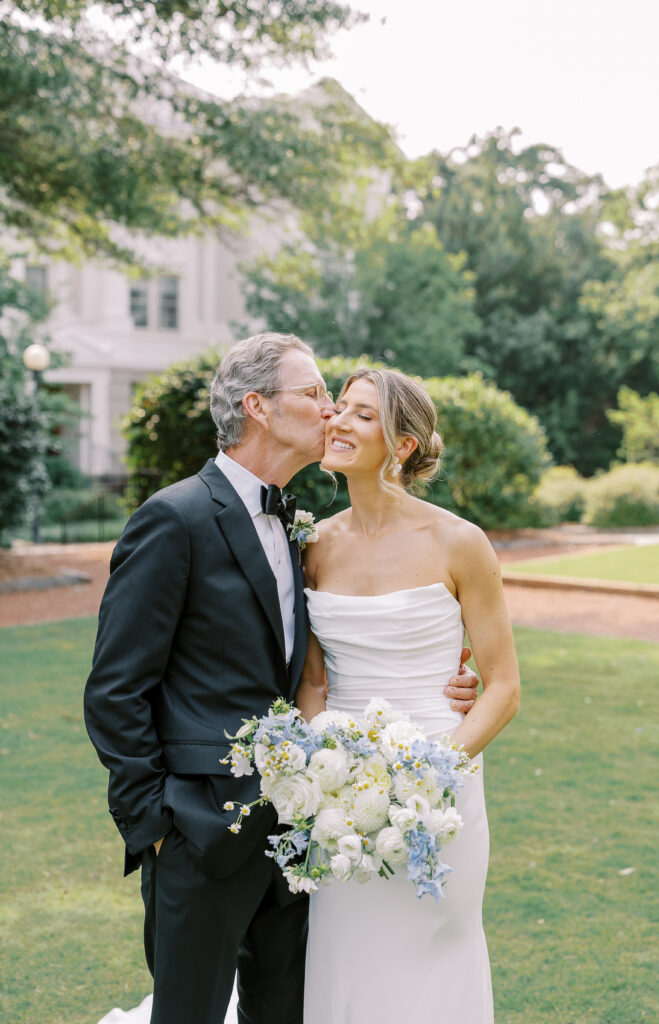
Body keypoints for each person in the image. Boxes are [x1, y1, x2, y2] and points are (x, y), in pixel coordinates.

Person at [84, 333, 479, 1024]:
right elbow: (116, 689)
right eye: (315, 393)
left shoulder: (300, 526)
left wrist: (441, 676)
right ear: (258, 407)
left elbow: (317, 658)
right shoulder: (174, 519)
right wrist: (153, 825)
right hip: (200, 831)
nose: (330, 411)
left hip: (300, 833)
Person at [296, 367, 521, 1023]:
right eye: (339, 407)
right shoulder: (312, 545)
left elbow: (503, 686)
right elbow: (312, 681)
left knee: (433, 946)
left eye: (362, 414)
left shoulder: (458, 542)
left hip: (440, 780)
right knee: (345, 949)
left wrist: (429, 772)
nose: (338, 421)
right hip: (340, 789)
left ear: (402, 444)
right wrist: (320, 768)